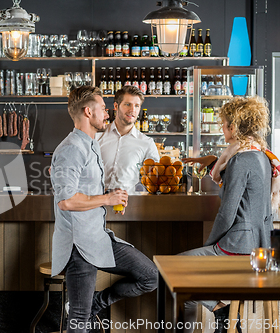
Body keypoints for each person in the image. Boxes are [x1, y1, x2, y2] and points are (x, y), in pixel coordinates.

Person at [50, 86, 158, 332]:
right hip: (79, 244)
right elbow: (66, 201)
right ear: (88, 112)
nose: (106, 114)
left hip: (96, 237)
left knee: (149, 276)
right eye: (102, 109)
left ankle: (97, 303)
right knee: (78, 319)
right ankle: (87, 311)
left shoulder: (88, 144)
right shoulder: (71, 148)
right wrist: (107, 199)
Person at [180, 96, 274, 333]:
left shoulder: (240, 160)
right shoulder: (261, 155)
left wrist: (210, 245)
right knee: (186, 285)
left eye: (223, 124)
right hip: (258, 247)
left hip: (237, 246)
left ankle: (221, 310)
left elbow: (227, 213)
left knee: (174, 268)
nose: (222, 129)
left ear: (234, 126)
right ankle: (222, 318)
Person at [97, 85, 159, 194]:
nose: (132, 110)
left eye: (137, 106)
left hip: (130, 206)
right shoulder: (97, 136)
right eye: (127, 104)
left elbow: (156, 179)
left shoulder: (147, 143)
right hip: (97, 205)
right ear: (116, 106)